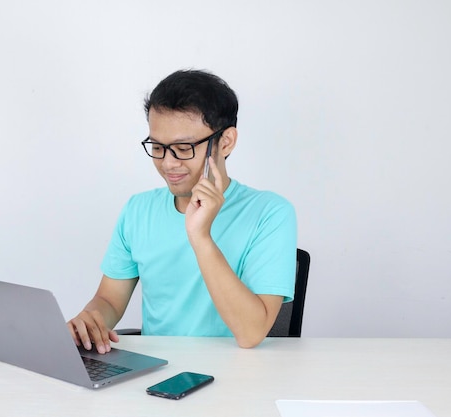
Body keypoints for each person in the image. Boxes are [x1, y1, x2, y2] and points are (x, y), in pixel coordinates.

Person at [67, 69, 296, 352]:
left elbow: (251, 333)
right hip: (156, 375)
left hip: (238, 378)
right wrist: (91, 324)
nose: (168, 163)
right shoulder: (138, 210)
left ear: (226, 142)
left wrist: (201, 237)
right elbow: (110, 301)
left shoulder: (269, 213)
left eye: (183, 148)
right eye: (158, 147)